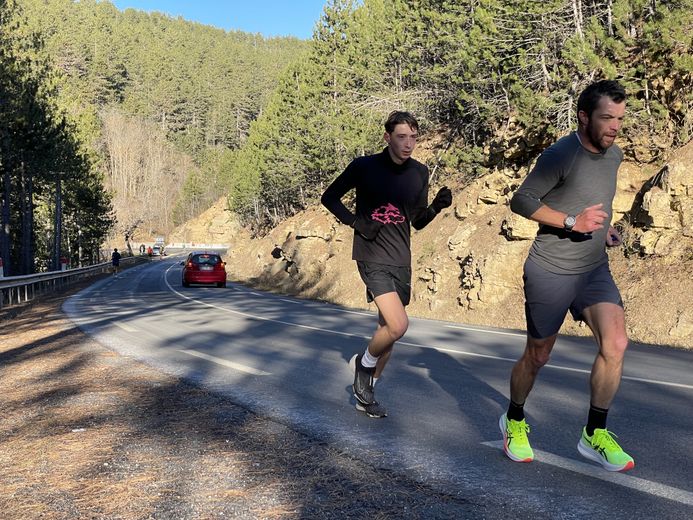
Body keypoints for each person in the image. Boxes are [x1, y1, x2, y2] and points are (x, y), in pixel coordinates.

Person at [500, 80, 634, 472]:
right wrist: (571, 222)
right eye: (607, 118)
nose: (614, 127)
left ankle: (594, 433)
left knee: (617, 342)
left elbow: (597, 203)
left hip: (593, 268)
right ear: (584, 117)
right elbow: (522, 200)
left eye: (620, 119)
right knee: (538, 355)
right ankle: (514, 420)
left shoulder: (615, 156)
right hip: (551, 270)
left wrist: (602, 228)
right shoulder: (561, 154)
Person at [321, 111, 452, 418]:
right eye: (402, 137)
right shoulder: (364, 166)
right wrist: (357, 223)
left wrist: (435, 207)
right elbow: (330, 197)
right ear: (387, 137)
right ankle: (363, 365)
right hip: (371, 255)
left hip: (401, 258)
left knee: (387, 331)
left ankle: (366, 393)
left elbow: (417, 221)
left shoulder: (420, 172)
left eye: (414, 137)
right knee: (398, 325)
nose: (409, 144)